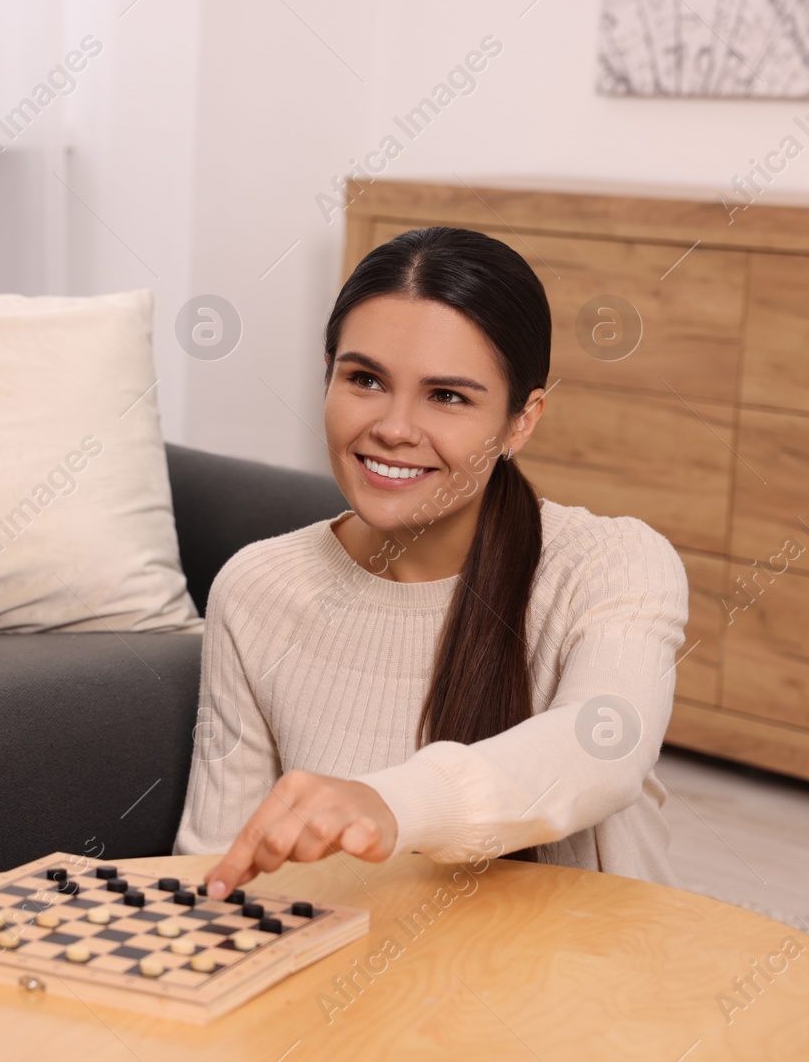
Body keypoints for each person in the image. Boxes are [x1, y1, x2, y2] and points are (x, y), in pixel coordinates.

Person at [176, 227, 689, 896]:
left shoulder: (613, 565)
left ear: (520, 421)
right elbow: (220, 862)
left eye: (447, 396)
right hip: (362, 983)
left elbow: (600, 747)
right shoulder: (255, 588)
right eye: (364, 379)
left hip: (585, 979)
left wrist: (388, 803)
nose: (393, 426)